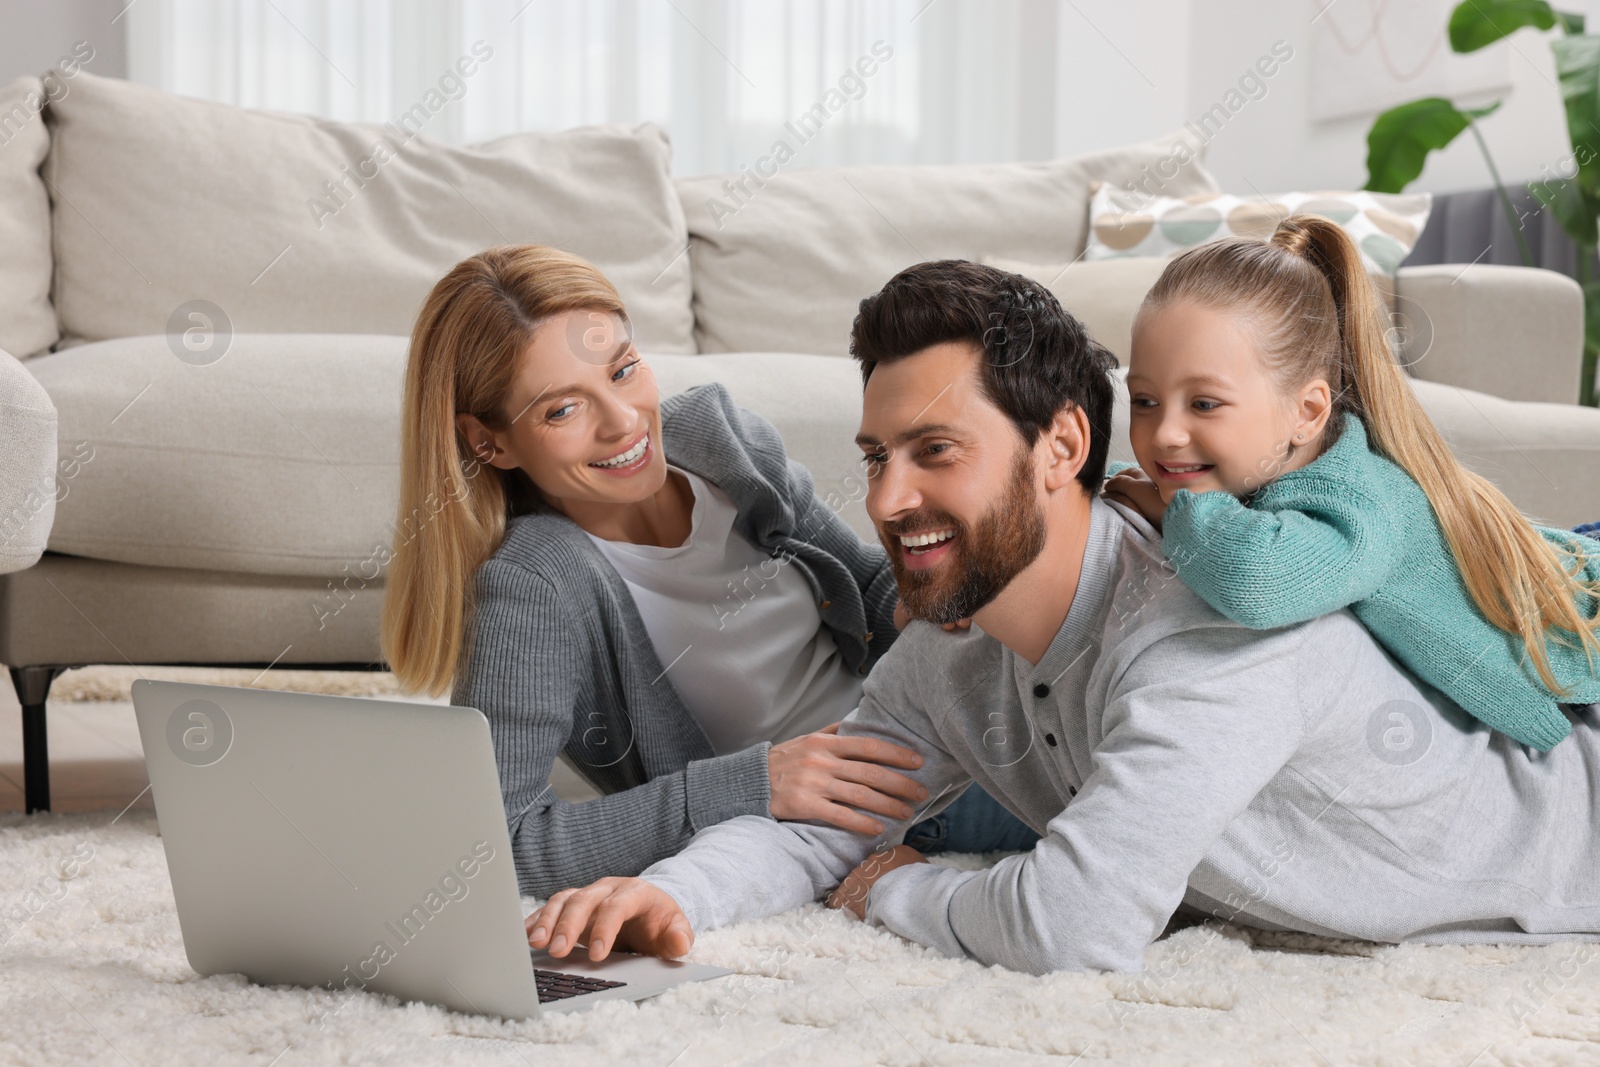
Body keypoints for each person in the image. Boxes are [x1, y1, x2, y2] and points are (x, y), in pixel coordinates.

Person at [523, 258, 1600, 976]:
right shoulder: (951, 642)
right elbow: (827, 816)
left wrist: (907, 890)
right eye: (875, 457)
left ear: (1062, 448)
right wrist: (664, 895)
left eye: (935, 452)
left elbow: (1073, 925)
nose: (888, 501)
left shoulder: (1210, 638)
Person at [379, 245, 1036, 899]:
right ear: (488, 440)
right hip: (889, 797)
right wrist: (756, 783)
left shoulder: (718, 442)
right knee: (1121, 799)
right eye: (562, 409)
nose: (624, 421)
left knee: (1108, 511)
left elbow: (863, 585)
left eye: (623, 369)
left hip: (944, 697)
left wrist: (939, 596)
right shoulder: (536, 582)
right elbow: (499, 844)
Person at [1101, 214, 1600, 751]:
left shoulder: (1352, 509)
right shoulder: (1286, 464)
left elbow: (1257, 583)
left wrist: (1166, 509)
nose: (1167, 434)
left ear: (1308, 412)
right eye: (1146, 402)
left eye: (1204, 404)